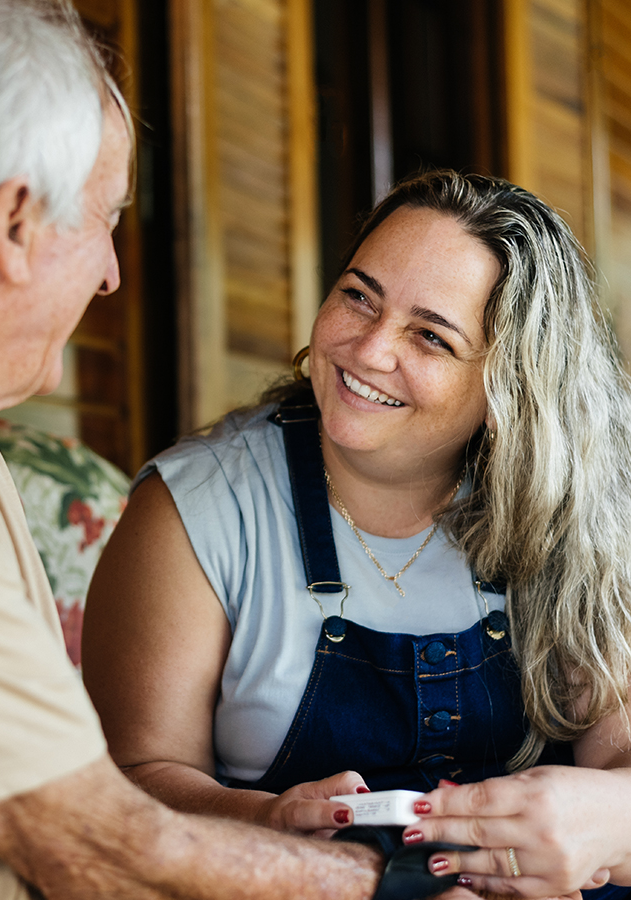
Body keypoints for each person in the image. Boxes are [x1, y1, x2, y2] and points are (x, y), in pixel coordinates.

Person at [0, 2, 474, 899]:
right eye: (102, 221)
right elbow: (100, 851)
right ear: (13, 222)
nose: (112, 272)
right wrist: (393, 883)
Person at [83, 169, 631, 900]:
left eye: (430, 336)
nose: (369, 350)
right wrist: (270, 822)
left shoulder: (576, 509)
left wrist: (613, 813)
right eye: (357, 296)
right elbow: (130, 781)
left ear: (509, 388)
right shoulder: (197, 508)